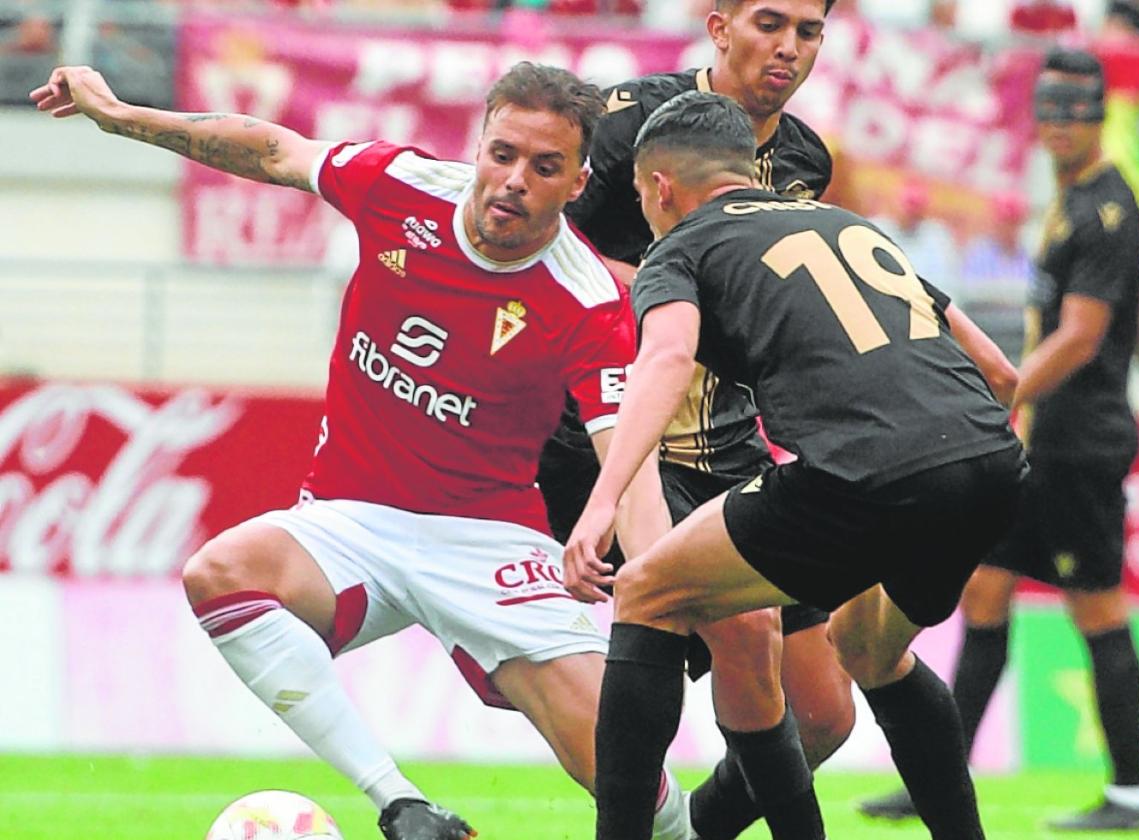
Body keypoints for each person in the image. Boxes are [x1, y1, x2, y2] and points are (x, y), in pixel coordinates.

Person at [30, 62, 695, 840]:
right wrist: (119, 116)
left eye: (544, 167)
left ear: (577, 182)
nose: (514, 180)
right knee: (220, 573)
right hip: (352, 517)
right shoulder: (401, 185)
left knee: (619, 761)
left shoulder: (586, 299)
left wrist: (656, 590)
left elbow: (630, 456)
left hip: (489, 538)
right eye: (502, 153)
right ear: (478, 147)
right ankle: (400, 803)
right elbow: (273, 150)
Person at [565, 90, 1027, 840]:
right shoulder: (849, 225)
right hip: (989, 464)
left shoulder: (678, 247)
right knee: (867, 648)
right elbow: (1001, 373)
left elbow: (669, 357)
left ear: (658, 187)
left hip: (865, 473)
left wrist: (601, 500)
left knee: (648, 589)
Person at [541, 2, 858, 836]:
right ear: (718, 28)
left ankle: (698, 828)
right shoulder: (625, 125)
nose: (788, 47)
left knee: (826, 714)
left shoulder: (803, 157)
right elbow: (547, 252)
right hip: (623, 435)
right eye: (768, 23)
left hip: (732, 441)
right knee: (736, 633)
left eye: (809, 31)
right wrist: (661, 289)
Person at [860, 47, 1139, 831]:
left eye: (1074, 112)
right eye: (1048, 111)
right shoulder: (1076, 196)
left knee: (1098, 609)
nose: (1058, 124)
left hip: (1078, 446)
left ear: (1099, 117)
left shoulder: (1103, 207)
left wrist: (1002, 392)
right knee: (983, 591)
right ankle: (939, 781)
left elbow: (1082, 335)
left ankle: (1133, 795)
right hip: (1046, 443)